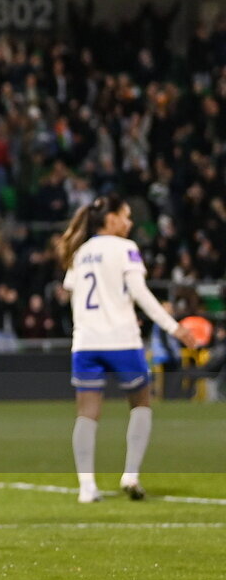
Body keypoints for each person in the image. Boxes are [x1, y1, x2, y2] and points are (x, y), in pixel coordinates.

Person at [57, 196, 196, 503]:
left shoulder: (80, 251)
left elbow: (70, 292)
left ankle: (86, 487)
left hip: (86, 342)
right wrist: (174, 327)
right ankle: (130, 475)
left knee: (87, 414)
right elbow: (140, 293)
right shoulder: (126, 249)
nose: (130, 223)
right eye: (126, 216)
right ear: (111, 219)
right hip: (121, 340)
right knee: (141, 403)